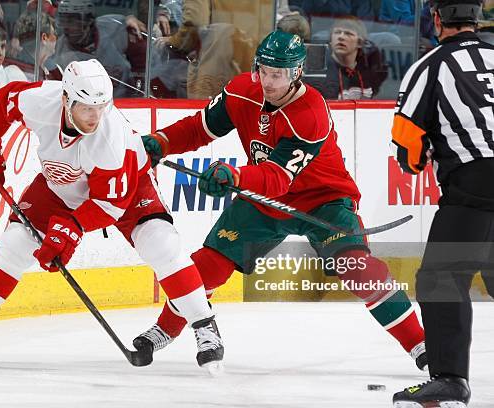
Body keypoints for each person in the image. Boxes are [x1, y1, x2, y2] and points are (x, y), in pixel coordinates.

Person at [133, 31, 428, 373]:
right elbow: (200, 128)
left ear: (297, 73)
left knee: (359, 269)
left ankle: (420, 344)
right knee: (208, 264)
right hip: (265, 201)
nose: (268, 82)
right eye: (264, 71)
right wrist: (162, 141)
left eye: (278, 74)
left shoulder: (310, 112)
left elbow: (276, 177)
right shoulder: (243, 90)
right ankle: (163, 331)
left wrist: (237, 177)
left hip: (324, 200)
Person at [0, 59, 224, 370]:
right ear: (66, 100)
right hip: (61, 185)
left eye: (102, 106)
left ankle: (204, 325)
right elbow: (5, 100)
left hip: (128, 188)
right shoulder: (39, 101)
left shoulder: (112, 142)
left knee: (161, 244)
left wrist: (73, 226)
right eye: (87, 107)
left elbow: (109, 206)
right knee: (15, 243)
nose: (96, 116)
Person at [391, 0, 494, 406]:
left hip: (475, 183)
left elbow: (407, 143)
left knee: (441, 278)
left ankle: (450, 379)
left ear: (437, 19)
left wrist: (420, 156)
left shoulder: (431, 65)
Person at [304, 16, 388, 99]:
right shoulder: (317, 72)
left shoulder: (370, 69)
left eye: (348, 33)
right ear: (330, 41)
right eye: (337, 32)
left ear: (359, 43)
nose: (341, 37)